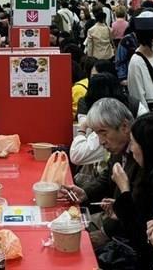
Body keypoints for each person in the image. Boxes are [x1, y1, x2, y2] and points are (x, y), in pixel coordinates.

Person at [107, 113, 153, 270]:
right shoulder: (150, 168)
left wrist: (124, 190)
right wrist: (120, 206)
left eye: (133, 143)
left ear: (148, 147)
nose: (131, 149)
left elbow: (140, 236)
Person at [60, 98, 136, 248]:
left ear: (125, 127)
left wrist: (106, 232)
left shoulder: (140, 154)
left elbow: (141, 212)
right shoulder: (119, 148)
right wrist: (85, 193)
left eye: (104, 133)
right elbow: (107, 177)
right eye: (96, 134)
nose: (101, 141)